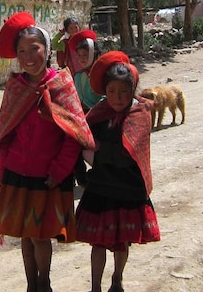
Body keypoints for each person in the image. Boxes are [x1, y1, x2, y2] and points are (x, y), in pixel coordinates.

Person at [0, 12, 96, 292]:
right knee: (25, 235)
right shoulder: (16, 86)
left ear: (46, 50)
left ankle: (44, 283)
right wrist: (4, 170)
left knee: (40, 236)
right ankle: (31, 285)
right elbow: (6, 131)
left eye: (34, 49)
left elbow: (74, 134)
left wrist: (60, 170)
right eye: (21, 51)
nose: (28, 56)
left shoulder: (61, 84)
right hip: (17, 173)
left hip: (48, 175)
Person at [76, 51, 160, 292]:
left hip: (127, 187)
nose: (117, 97)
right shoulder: (100, 112)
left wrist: (98, 150)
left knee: (121, 242)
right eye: (112, 91)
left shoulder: (140, 114)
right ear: (104, 91)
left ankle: (117, 279)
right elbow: (81, 138)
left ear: (132, 90)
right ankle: (95, 287)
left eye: (123, 92)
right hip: (101, 186)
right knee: (98, 243)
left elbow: (128, 153)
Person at [68, 29, 104, 187]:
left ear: (94, 53)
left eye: (85, 55)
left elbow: (106, 97)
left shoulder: (102, 73)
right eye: (79, 56)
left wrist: (93, 113)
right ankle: (82, 180)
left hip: (101, 117)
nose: (82, 59)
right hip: (82, 118)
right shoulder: (78, 75)